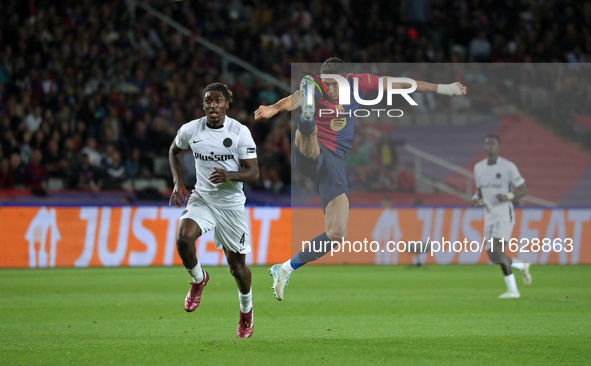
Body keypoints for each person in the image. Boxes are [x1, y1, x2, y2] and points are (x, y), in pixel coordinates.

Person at [254, 57, 466, 301]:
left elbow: (401, 84)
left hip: (334, 162)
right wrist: (273, 108)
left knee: (337, 233)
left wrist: (446, 89)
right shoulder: (316, 86)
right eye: (327, 84)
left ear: (346, 79)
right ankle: (307, 121)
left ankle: (284, 269)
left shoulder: (360, 83)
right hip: (310, 150)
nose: (331, 89)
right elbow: (294, 100)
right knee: (311, 142)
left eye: (336, 85)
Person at [169, 82, 259, 338]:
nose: (213, 105)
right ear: (204, 104)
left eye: (218, 100)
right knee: (183, 237)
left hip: (230, 205)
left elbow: (254, 172)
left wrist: (230, 175)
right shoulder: (191, 129)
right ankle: (198, 280)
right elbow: (174, 150)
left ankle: (246, 312)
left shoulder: (240, 132)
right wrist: (178, 182)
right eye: (208, 100)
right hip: (203, 198)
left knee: (237, 269)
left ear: (226, 104)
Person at [470, 134, 531, 298]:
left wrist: (508, 196)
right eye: (487, 143)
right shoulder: (478, 168)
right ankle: (520, 266)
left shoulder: (508, 167)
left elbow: (524, 189)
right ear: (484, 147)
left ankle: (513, 290)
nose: (490, 146)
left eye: (493, 143)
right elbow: (480, 190)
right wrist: (476, 198)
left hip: (504, 213)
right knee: (493, 256)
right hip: (488, 215)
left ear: (498, 147)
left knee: (498, 250)